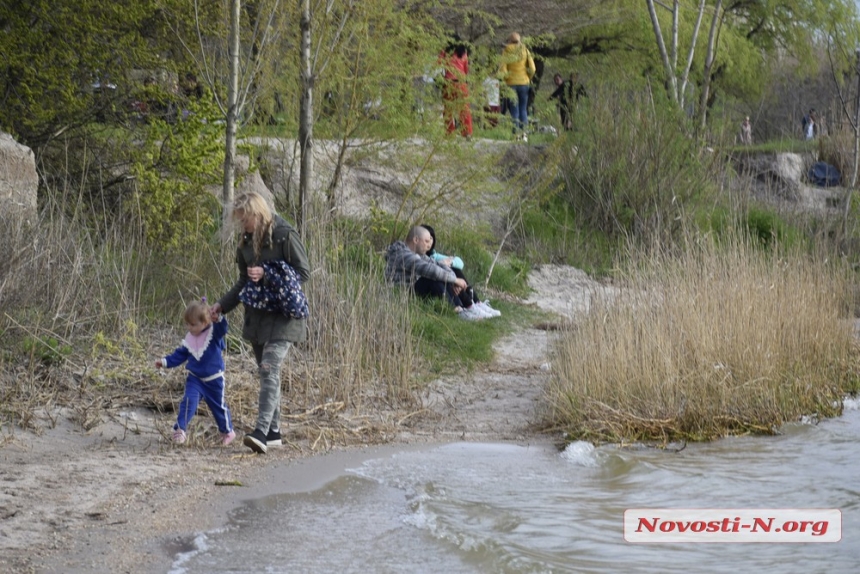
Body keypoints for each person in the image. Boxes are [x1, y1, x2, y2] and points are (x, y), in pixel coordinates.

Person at [210, 191, 311, 454]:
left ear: (258, 213)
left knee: (268, 369)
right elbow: (243, 282)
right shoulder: (244, 242)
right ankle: (274, 432)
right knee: (269, 375)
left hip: (284, 315)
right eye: (239, 220)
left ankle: (261, 433)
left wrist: (268, 272)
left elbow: (303, 273)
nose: (242, 225)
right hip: (257, 318)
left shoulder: (284, 234)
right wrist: (222, 305)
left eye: (245, 219)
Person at [155, 300, 235, 446]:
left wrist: (218, 318)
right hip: (195, 379)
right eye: (187, 324)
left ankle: (227, 431)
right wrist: (165, 362)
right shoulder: (190, 339)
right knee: (188, 402)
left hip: (214, 380)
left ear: (204, 323)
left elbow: (223, 328)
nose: (189, 328)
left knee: (218, 407)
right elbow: (179, 355)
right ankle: (180, 429)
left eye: (193, 324)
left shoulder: (213, 334)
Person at [384, 226, 489, 320]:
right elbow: (430, 270)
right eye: (426, 241)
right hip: (403, 293)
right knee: (432, 278)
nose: (428, 245)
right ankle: (458, 310)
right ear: (416, 240)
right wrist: (455, 280)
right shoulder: (401, 254)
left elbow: (440, 266)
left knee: (445, 275)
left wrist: (453, 281)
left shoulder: (420, 254)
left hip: (414, 288)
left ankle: (465, 307)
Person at [421, 224, 501, 318]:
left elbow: (459, 262)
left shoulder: (435, 256)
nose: (429, 242)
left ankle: (476, 303)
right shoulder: (417, 257)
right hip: (429, 286)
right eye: (427, 239)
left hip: (445, 282)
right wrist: (453, 278)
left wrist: (449, 264)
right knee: (447, 274)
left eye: (431, 238)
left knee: (455, 269)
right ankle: (468, 306)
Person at [498, 32, 536, 142]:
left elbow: (502, 69)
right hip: (524, 84)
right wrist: (528, 77)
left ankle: (516, 135)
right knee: (523, 109)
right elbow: (533, 68)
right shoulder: (525, 50)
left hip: (511, 84)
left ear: (509, 40)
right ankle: (524, 135)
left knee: (514, 111)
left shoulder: (506, 51)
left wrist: (505, 79)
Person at [440, 44, 473, 137]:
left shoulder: (445, 52)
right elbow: (466, 70)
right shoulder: (463, 53)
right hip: (461, 83)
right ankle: (467, 132)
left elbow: (438, 63)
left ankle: (449, 132)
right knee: (464, 109)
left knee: (448, 109)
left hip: (449, 83)